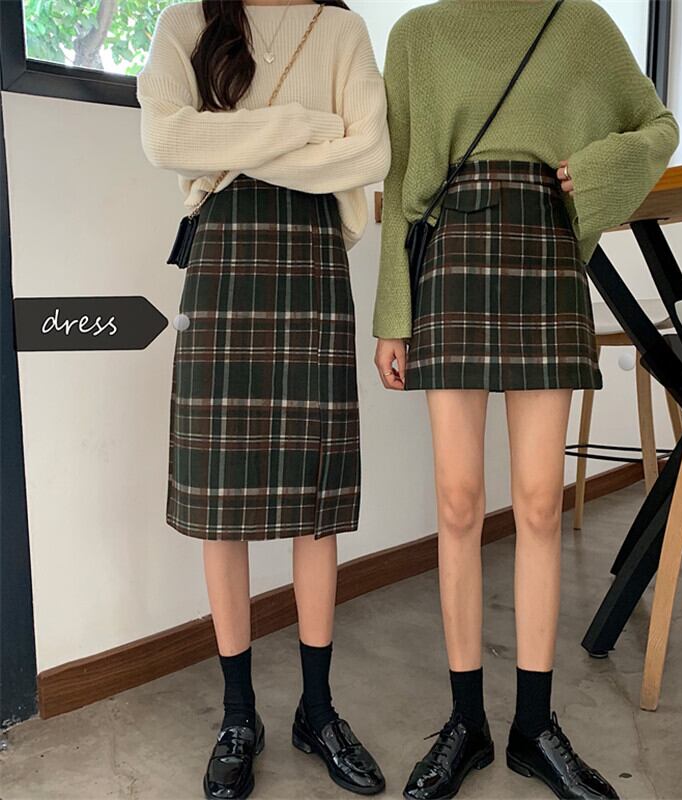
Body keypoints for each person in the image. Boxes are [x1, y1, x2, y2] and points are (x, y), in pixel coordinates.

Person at [372, 1, 679, 799]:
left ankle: (535, 729)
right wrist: (392, 316)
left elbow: (657, 126)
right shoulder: (417, 35)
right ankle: (465, 724)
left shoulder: (579, 22)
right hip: (450, 254)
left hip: (545, 248)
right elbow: (399, 183)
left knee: (541, 504)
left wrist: (603, 167)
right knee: (458, 503)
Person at [138, 1, 390, 797]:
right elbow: (164, 140)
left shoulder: (341, 30)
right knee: (222, 499)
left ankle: (317, 710)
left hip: (313, 257)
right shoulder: (187, 22)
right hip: (223, 257)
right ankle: (238, 715)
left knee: (315, 497)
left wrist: (235, 141)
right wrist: (305, 127)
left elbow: (369, 152)